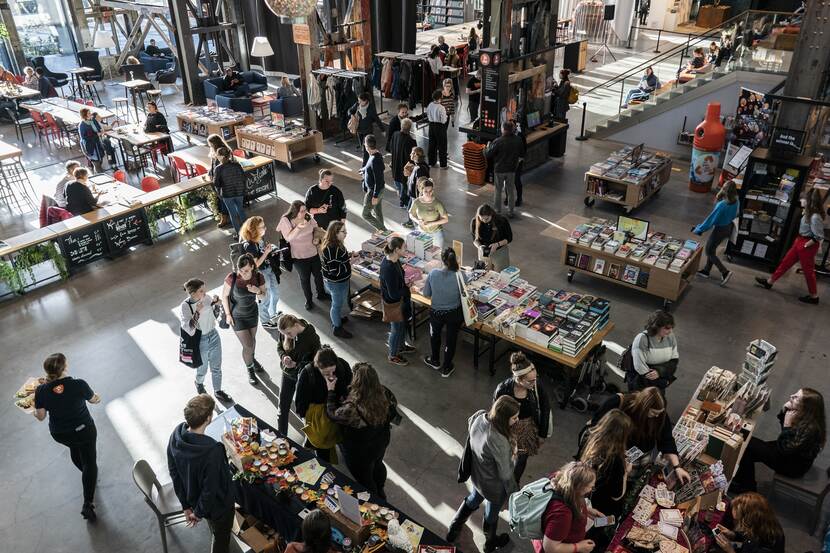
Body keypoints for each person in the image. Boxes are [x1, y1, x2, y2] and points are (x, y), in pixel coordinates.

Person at [446, 396, 521, 552]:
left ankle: (455, 526)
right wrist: (514, 455)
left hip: (477, 476)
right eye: (514, 417)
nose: (517, 420)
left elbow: (470, 428)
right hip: (494, 486)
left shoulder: (479, 416)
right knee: (491, 514)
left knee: (473, 498)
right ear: (503, 417)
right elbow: (506, 473)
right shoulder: (499, 440)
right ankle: (490, 543)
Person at [34, 353, 101, 521]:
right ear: (65, 367)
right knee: (90, 462)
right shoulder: (79, 384)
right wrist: (97, 397)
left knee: (75, 448)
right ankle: (88, 502)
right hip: (84, 429)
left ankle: (87, 476)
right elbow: (93, 400)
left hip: (61, 434)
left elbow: (41, 416)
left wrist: (35, 407)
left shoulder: (41, 390)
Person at [167, 394, 235, 553]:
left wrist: (187, 506)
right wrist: (198, 513)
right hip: (219, 507)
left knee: (215, 529)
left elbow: (174, 473)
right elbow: (210, 489)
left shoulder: (176, 435)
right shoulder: (212, 450)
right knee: (221, 539)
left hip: (195, 500)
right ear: (208, 418)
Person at [731, 388, 825, 493]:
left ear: (805, 406)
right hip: (790, 453)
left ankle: (747, 487)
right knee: (748, 444)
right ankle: (743, 481)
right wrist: (784, 413)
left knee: (748, 446)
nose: (791, 396)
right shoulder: (805, 417)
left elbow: (785, 449)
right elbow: (787, 439)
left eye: (796, 398)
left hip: (792, 465)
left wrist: (787, 426)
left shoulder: (810, 430)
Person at [590, 388, 692, 484]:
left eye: (660, 413)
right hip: (613, 456)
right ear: (644, 407)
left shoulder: (660, 416)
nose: (657, 416)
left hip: (639, 460)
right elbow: (597, 426)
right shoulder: (619, 402)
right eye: (654, 412)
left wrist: (677, 467)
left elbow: (667, 440)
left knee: (628, 486)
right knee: (609, 486)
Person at [327, 362, 397, 497]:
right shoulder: (385, 392)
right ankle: (381, 489)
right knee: (378, 464)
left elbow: (332, 414)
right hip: (381, 440)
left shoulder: (352, 408)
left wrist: (330, 392)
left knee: (365, 478)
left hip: (361, 451)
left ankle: (377, 499)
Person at [756, 188, 825, 304]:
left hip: (806, 244)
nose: (801, 200)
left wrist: (805, 245)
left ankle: (814, 296)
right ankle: (769, 282)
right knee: (785, 262)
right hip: (800, 241)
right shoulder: (808, 213)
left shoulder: (814, 217)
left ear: (809, 201)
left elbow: (818, 236)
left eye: (803, 198)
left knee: (808, 271)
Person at [578, 410, 632, 552]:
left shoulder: (588, 437)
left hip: (583, 498)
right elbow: (617, 494)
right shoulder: (617, 460)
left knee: (582, 528)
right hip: (604, 509)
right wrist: (626, 473)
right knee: (598, 529)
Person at [493, 352, 552, 482]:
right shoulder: (502, 389)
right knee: (504, 456)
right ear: (519, 379)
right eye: (530, 381)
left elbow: (545, 408)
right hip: (507, 427)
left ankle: (514, 482)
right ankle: (500, 481)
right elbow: (495, 415)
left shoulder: (536, 385)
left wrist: (542, 434)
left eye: (535, 378)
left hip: (527, 428)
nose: (534, 383)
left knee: (522, 459)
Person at [295, 347, 352, 462]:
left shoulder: (342, 365)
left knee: (340, 439)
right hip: (319, 419)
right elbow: (300, 403)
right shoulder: (307, 374)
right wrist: (308, 420)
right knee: (323, 450)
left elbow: (349, 387)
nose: (331, 375)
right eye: (326, 372)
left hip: (338, 413)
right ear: (317, 366)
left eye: (333, 371)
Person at [531, 462, 601, 553]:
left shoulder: (563, 482)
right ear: (579, 487)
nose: (591, 489)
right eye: (591, 487)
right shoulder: (562, 514)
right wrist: (579, 547)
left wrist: (586, 510)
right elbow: (550, 548)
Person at [180, 278, 231, 400]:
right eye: (201, 290)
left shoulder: (207, 298)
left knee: (216, 367)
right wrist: (197, 312)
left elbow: (215, 315)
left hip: (214, 335)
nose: (205, 292)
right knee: (202, 368)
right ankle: (199, 383)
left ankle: (218, 391)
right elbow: (189, 328)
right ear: (193, 293)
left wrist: (217, 303)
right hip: (200, 341)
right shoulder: (185, 307)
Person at [221, 253, 267, 386]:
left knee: (252, 341)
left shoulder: (259, 277)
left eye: (246, 270)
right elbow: (224, 296)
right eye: (240, 270)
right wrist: (228, 314)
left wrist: (257, 291)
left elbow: (263, 297)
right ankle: (250, 370)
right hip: (237, 316)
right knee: (247, 345)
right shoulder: (232, 278)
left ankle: (251, 359)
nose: (243, 273)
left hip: (252, 313)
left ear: (252, 267)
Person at [277, 200, 328, 310]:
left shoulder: (308, 217)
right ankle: (309, 300)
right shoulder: (286, 220)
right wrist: (299, 227)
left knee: (318, 275)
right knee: (305, 279)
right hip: (299, 257)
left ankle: (321, 293)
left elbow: (316, 227)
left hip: (313, 253)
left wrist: (316, 238)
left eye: (305, 210)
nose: (305, 213)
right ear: (295, 211)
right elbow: (288, 238)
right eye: (302, 211)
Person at [276, 313, 321, 436]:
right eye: (285, 334)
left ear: (296, 325)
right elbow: (279, 346)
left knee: (304, 410)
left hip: (303, 377)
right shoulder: (285, 330)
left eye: (289, 333)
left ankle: (312, 440)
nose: (287, 336)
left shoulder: (311, 337)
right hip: (287, 374)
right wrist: (283, 356)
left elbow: (316, 362)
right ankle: (282, 438)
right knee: (282, 408)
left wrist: (297, 365)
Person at [422, 247, 463, 377]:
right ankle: (446, 367)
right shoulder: (459, 275)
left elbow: (427, 294)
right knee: (451, 340)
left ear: (442, 260)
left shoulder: (433, 274)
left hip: (436, 312)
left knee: (435, 336)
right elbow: (464, 294)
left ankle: (435, 360)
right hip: (454, 313)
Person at [694, 179, 739, 285]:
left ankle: (725, 272)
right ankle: (706, 271)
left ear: (724, 190)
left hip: (720, 230)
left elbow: (711, 220)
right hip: (728, 227)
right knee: (712, 249)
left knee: (709, 251)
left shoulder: (722, 205)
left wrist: (699, 229)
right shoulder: (736, 201)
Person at [239, 216, 281, 329]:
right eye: (262, 227)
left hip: (268, 268)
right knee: (264, 297)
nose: (265, 229)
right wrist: (266, 252)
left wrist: (268, 249)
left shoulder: (259, 238)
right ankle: (265, 320)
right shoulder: (249, 245)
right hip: (260, 273)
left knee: (275, 292)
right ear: (254, 229)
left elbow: (262, 252)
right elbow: (255, 264)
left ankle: (273, 313)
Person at [380, 237, 414, 366]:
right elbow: (393, 294)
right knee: (396, 329)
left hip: (401, 301)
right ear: (396, 249)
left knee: (401, 327)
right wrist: (407, 289)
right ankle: (393, 355)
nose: (406, 250)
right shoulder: (388, 268)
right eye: (404, 248)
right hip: (394, 304)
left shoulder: (395, 260)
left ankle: (401, 347)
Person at [626, 310, 679, 393]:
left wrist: (660, 372)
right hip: (642, 384)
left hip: (659, 379)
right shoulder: (642, 339)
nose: (671, 331)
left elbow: (674, 360)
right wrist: (663, 382)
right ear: (656, 326)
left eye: (672, 328)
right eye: (667, 328)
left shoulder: (670, 336)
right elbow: (640, 368)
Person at [715, 493, 785, 553]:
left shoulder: (767, 547)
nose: (738, 524)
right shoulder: (765, 524)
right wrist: (733, 535)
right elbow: (752, 536)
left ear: (750, 520)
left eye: (739, 520)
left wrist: (730, 551)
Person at [320, 221, 354, 339]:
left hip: (341, 281)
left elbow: (339, 260)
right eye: (343, 231)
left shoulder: (338, 243)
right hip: (336, 283)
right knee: (336, 305)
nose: (346, 233)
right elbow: (335, 270)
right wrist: (350, 263)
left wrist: (348, 256)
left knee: (339, 303)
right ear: (335, 233)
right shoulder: (330, 249)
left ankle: (337, 320)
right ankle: (337, 327)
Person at [485, 121, 524, 218]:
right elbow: (522, 154)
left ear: (503, 129)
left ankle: (497, 211)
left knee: (498, 190)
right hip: (511, 169)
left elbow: (488, 154)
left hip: (499, 169)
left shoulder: (498, 141)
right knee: (510, 190)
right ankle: (511, 211)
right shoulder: (518, 140)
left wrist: (487, 147)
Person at [212, 147, 247, 234]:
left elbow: (216, 183)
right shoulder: (237, 165)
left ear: (221, 157)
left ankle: (239, 235)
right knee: (241, 211)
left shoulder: (218, 168)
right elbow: (243, 177)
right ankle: (248, 232)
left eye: (217, 155)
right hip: (239, 192)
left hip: (227, 195)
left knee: (233, 214)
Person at [409, 177, 449, 248]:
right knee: (422, 254)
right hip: (422, 232)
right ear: (421, 190)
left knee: (437, 254)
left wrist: (431, 223)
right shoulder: (416, 202)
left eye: (430, 191)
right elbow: (411, 214)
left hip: (436, 233)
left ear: (433, 190)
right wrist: (418, 221)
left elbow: (446, 219)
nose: (428, 193)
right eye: (426, 191)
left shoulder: (437, 203)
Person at [471, 203, 513, 270]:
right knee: (484, 274)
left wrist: (497, 245)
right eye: (482, 219)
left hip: (500, 251)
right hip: (484, 252)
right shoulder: (475, 221)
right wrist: (480, 247)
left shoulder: (501, 221)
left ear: (491, 215)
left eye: (487, 219)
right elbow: (474, 239)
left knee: (501, 274)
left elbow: (509, 238)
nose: (484, 221)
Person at [305, 169, 347, 233]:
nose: (329, 183)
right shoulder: (312, 191)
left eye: (331, 181)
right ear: (320, 180)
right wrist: (318, 210)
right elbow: (307, 208)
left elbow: (343, 210)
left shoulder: (336, 191)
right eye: (327, 181)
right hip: (319, 227)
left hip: (334, 227)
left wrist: (342, 226)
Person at [360, 134, 387, 231]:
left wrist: (375, 196)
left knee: (365, 214)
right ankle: (382, 232)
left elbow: (379, 180)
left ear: (367, 146)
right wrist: (364, 170)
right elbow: (371, 167)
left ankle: (384, 231)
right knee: (377, 211)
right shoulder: (375, 155)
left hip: (374, 191)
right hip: (377, 190)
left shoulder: (375, 159)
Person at [390, 118, 417, 209]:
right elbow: (412, 159)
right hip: (404, 169)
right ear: (410, 129)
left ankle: (401, 199)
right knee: (404, 186)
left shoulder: (395, 134)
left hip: (395, 165)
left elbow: (391, 148)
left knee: (398, 183)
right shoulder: (411, 141)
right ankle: (404, 202)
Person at [348, 92, 381, 165]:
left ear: (365, 101)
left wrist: (382, 129)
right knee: (363, 148)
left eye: (360, 101)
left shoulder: (371, 108)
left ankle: (364, 165)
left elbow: (376, 118)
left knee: (366, 149)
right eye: (358, 100)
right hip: (359, 130)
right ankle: (368, 162)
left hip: (368, 130)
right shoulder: (357, 105)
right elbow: (349, 110)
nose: (359, 102)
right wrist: (352, 115)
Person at [206, 134, 232, 229]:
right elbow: (213, 165)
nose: (210, 146)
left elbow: (221, 166)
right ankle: (225, 217)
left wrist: (214, 175)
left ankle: (224, 218)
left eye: (210, 144)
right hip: (216, 178)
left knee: (222, 200)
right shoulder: (214, 151)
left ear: (214, 143)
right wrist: (210, 173)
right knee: (221, 199)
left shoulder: (222, 151)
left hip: (223, 179)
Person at [403, 146, 430, 228]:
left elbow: (421, 186)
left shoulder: (420, 169)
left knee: (414, 214)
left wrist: (420, 199)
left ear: (416, 155)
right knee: (409, 210)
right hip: (413, 196)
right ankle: (411, 223)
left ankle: (417, 228)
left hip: (416, 197)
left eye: (412, 153)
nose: (410, 154)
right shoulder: (417, 165)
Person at [78, 107, 106, 173]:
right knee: (96, 162)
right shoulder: (82, 125)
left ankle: (99, 172)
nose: (90, 114)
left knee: (100, 159)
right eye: (89, 113)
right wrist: (96, 135)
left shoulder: (93, 120)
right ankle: (100, 175)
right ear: (84, 115)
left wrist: (101, 130)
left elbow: (98, 128)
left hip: (98, 143)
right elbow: (84, 137)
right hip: (90, 146)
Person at [426, 90, 449, 168]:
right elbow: (443, 121)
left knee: (432, 144)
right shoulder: (441, 107)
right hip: (440, 127)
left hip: (431, 126)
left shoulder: (430, 105)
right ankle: (443, 165)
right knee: (442, 145)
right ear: (440, 97)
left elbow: (428, 115)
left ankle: (431, 162)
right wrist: (446, 116)